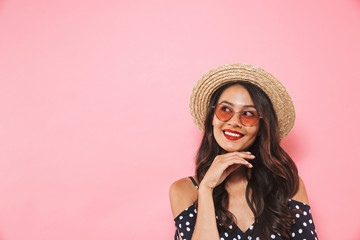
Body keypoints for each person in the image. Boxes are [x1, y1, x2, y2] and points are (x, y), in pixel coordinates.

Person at [169, 63, 318, 240]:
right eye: (225, 110)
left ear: (261, 127)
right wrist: (206, 189)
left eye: (248, 114)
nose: (234, 122)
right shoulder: (184, 191)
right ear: (212, 118)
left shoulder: (287, 185)